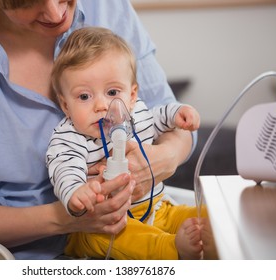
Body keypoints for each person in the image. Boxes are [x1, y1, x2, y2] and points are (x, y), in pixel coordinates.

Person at [0, 0, 198, 259]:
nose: (55, 13)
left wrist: (163, 157)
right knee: (151, 245)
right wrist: (73, 214)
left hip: (155, 207)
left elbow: (168, 118)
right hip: (45, 256)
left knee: (216, 225)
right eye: (25, 2)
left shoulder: (108, 7)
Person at [47, 27, 202, 260]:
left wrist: (178, 112)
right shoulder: (70, 138)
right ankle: (172, 251)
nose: (101, 106)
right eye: (84, 97)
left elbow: (158, 118)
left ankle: (216, 235)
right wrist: (77, 193)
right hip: (103, 225)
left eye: (112, 92)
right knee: (127, 238)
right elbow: (63, 168)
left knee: (204, 219)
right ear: (66, 105)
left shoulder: (137, 111)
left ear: (132, 95)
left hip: (157, 208)